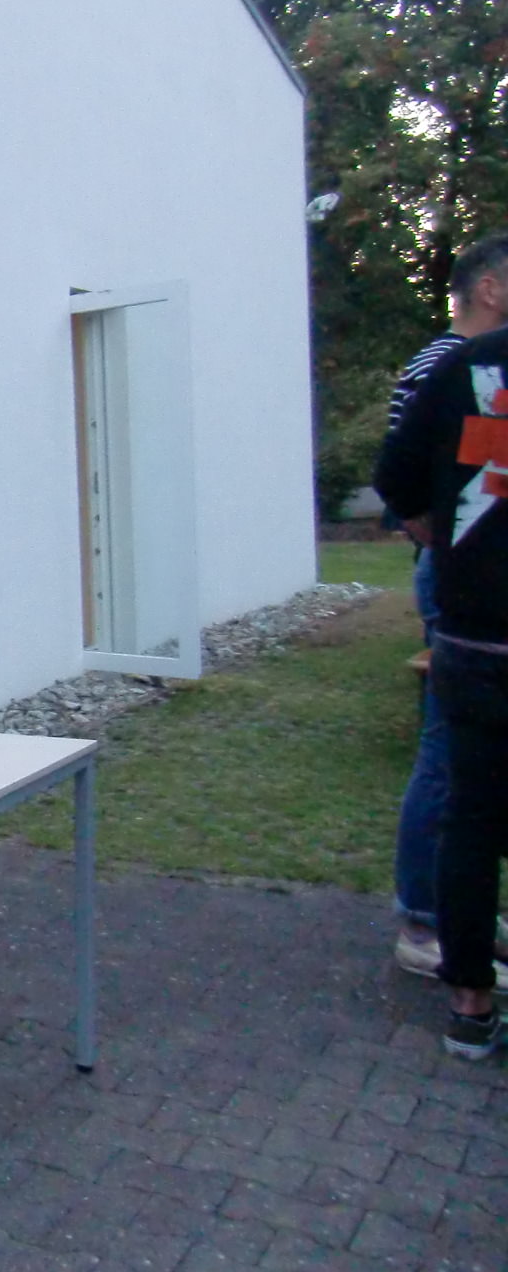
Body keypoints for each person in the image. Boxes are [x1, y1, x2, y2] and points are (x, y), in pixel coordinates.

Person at [375, 261, 508, 1059]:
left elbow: (395, 476)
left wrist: (444, 539)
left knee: (471, 810)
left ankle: (469, 1002)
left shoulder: (464, 368)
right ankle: (438, 936)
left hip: (474, 628)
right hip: (474, 625)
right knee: (457, 789)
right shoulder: (451, 361)